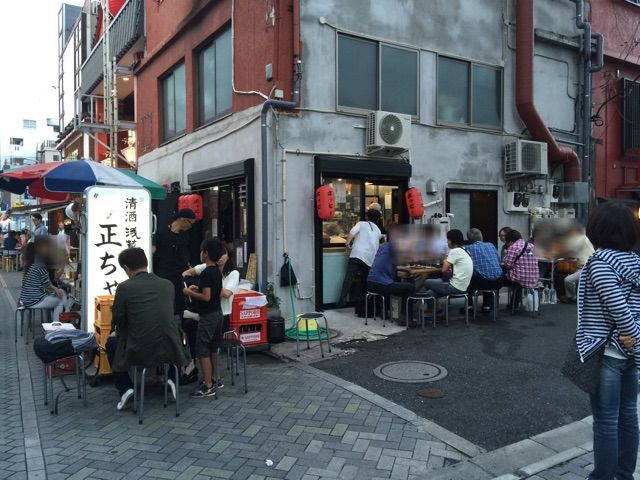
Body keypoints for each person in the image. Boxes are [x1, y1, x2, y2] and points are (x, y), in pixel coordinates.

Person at [575, 202, 640, 479]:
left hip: (609, 353)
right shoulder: (635, 261)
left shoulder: (600, 262)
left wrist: (633, 337)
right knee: (628, 416)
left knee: (606, 422)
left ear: (597, 230)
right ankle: (624, 475)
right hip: (629, 355)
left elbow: (619, 308)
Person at [105, 248, 191, 411]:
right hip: (171, 346)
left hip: (139, 347)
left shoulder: (124, 287)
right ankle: (172, 380)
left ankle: (125, 389)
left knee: (111, 344)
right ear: (146, 263)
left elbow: (119, 319)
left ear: (126, 267)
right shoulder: (167, 284)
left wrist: (117, 331)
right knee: (175, 335)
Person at [181, 247, 240, 385]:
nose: (221, 256)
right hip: (207, 313)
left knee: (204, 346)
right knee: (188, 327)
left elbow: (225, 294)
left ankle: (210, 379)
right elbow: (187, 273)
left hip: (220, 315)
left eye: (224, 253)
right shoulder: (208, 268)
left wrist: (202, 289)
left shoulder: (232, 273)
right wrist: (200, 287)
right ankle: (193, 366)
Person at [182, 238, 226, 398]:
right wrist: (198, 288)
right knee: (213, 347)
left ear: (205, 253)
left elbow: (206, 297)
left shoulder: (206, 272)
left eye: (202, 251)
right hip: (218, 313)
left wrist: (189, 292)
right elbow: (214, 292)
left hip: (208, 316)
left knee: (202, 349)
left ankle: (207, 385)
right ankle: (215, 379)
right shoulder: (217, 271)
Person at [153, 208, 196, 321]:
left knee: (179, 300)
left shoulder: (185, 235)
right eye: (190, 223)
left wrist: (189, 266)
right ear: (183, 219)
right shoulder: (162, 232)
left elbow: (185, 254)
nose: (190, 226)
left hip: (180, 273)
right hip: (164, 272)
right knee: (166, 299)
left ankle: (178, 322)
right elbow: (154, 250)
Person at [367, 224, 416, 322]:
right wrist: (408, 269)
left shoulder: (383, 246)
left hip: (370, 282)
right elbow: (408, 261)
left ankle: (386, 311)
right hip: (382, 285)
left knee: (395, 282)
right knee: (410, 287)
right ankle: (405, 317)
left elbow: (391, 263)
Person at [337, 209, 382, 307]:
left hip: (357, 254)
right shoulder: (378, 231)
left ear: (367, 217)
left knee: (349, 277)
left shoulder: (361, 224)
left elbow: (352, 232)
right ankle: (363, 301)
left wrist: (347, 243)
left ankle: (342, 299)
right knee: (365, 280)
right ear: (378, 219)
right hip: (369, 258)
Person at [19, 236, 68, 322]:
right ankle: (56, 326)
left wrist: (54, 290)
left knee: (59, 294)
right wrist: (55, 290)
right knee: (60, 301)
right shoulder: (40, 265)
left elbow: (44, 285)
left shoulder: (30, 266)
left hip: (25, 299)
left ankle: (63, 318)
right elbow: (47, 285)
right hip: (34, 300)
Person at [423, 229, 473, 299]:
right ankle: (433, 305)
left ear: (454, 241)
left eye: (448, 240)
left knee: (427, 282)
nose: (447, 242)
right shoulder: (466, 250)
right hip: (463, 287)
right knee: (431, 293)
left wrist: (445, 261)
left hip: (454, 287)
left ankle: (424, 303)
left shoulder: (455, 251)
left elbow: (443, 270)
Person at [466, 228, 504, 313]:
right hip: (499, 281)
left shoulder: (468, 249)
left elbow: (467, 266)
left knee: (469, 277)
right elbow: (499, 261)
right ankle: (487, 305)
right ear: (481, 237)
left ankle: (469, 306)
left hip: (483, 282)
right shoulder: (490, 245)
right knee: (488, 273)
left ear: (469, 240)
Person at [562, 225, 594, 303]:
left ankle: (572, 297)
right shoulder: (584, 238)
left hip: (586, 267)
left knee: (568, 280)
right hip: (586, 266)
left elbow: (571, 252)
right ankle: (574, 296)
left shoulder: (581, 239)